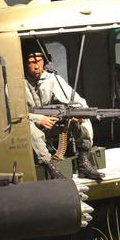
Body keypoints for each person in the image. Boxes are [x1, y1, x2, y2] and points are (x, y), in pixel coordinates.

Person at [24, 48, 104, 181]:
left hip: (51, 121)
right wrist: (39, 119)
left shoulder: (52, 78)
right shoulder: (17, 83)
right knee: (30, 129)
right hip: (32, 121)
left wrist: (80, 113)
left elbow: (77, 100)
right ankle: (50, 168)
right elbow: (14, 114)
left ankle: (83, 162)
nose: (37, 66)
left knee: (83, 118)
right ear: (25, 65)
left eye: (39, 61)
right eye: (32, 62)